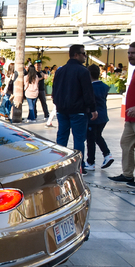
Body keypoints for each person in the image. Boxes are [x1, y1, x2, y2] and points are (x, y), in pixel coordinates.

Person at [52, 44, 97, 172]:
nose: (85, 56)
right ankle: (79, 167)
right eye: (83, 53)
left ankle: (59, 164)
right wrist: (92, 108)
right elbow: (88, 92)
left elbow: (55, 90)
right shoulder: (83, 71)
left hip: (62, 109)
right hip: (78, 111)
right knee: (78, 139)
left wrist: (57, 103)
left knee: (61, 137)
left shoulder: (60, 70)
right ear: (76, 55)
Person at [109, 43, 135, 186]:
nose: (130, 55)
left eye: (133, 53)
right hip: (131, 119)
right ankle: (127, 175)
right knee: (126, 144)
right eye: (129, 52)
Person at [84, 64, 113, 171]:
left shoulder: (90, 88)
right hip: (103, 117)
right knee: (97, 136)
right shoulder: (105, 87)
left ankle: (91, 161)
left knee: (91, 139)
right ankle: (106, 155)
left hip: (93, 117)